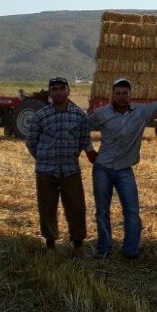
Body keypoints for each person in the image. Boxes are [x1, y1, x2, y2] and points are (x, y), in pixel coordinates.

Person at [87, 75, 157, 258]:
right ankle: (103, 249)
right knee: (102, 210)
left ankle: (130, 250)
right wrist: (89, 150)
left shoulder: (141, 112)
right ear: (112, 95)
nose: (121, 96)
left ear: (130, 95)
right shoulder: (101, 113)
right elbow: (84, 128)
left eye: (125, 93)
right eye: (118, 93)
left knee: (132, 211)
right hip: (102, 168)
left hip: (124, 170)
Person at [25, 77, 96, 259]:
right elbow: (31, 141)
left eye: (61, 89)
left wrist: (73, 154)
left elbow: (84, 140)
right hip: (46, 171)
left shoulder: (79, 116)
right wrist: (43, 157)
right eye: (54, 89)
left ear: (68, 91)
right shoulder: (41, 116)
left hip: (70, 170)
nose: (58, 92)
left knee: (77, 208)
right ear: (50, 93)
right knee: (47, 208)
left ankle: (78, 246)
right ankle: (50, 246)